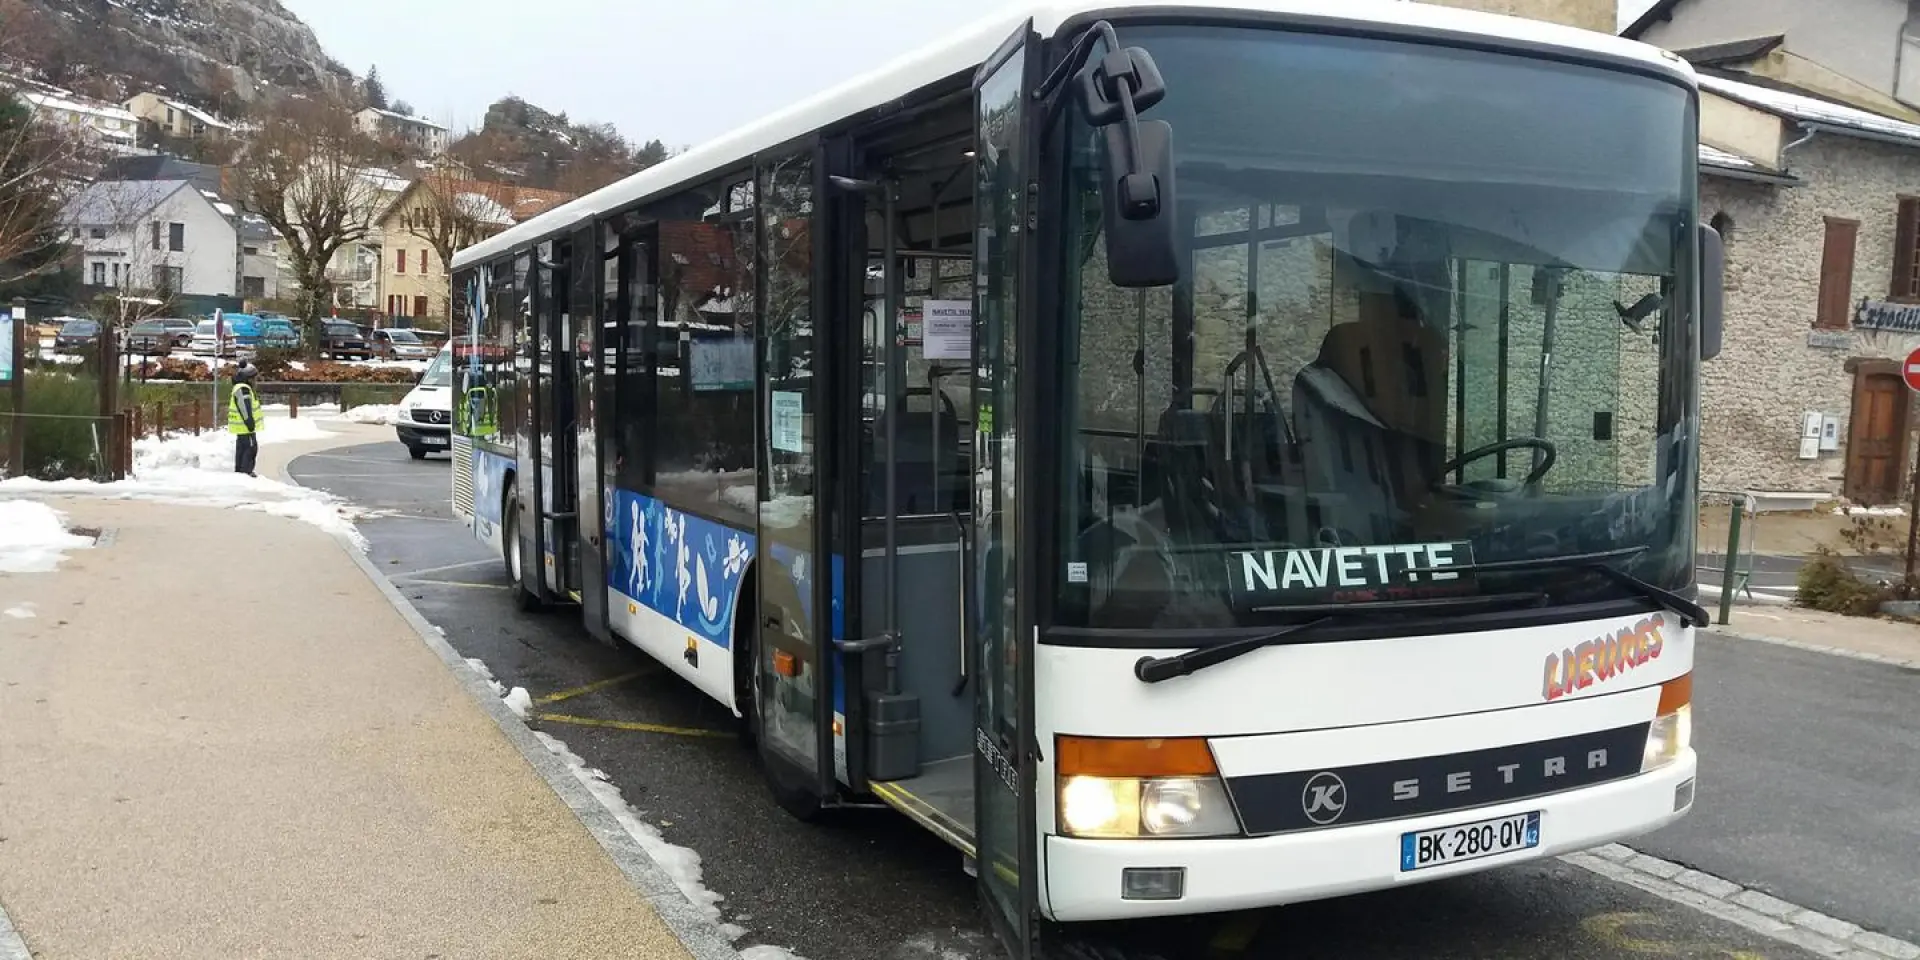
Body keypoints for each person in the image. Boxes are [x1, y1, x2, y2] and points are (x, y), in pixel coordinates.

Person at [229, 361, 261, 476]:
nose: (255, 381)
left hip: (242, 429)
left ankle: (241, 474)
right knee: (250, 450)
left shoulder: (241, 387)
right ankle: (245, 474)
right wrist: (250, 423)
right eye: (254, 378)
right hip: (245, 428)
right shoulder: (243, 389)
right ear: (248, 379)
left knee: (243, 450)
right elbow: (244, 408)